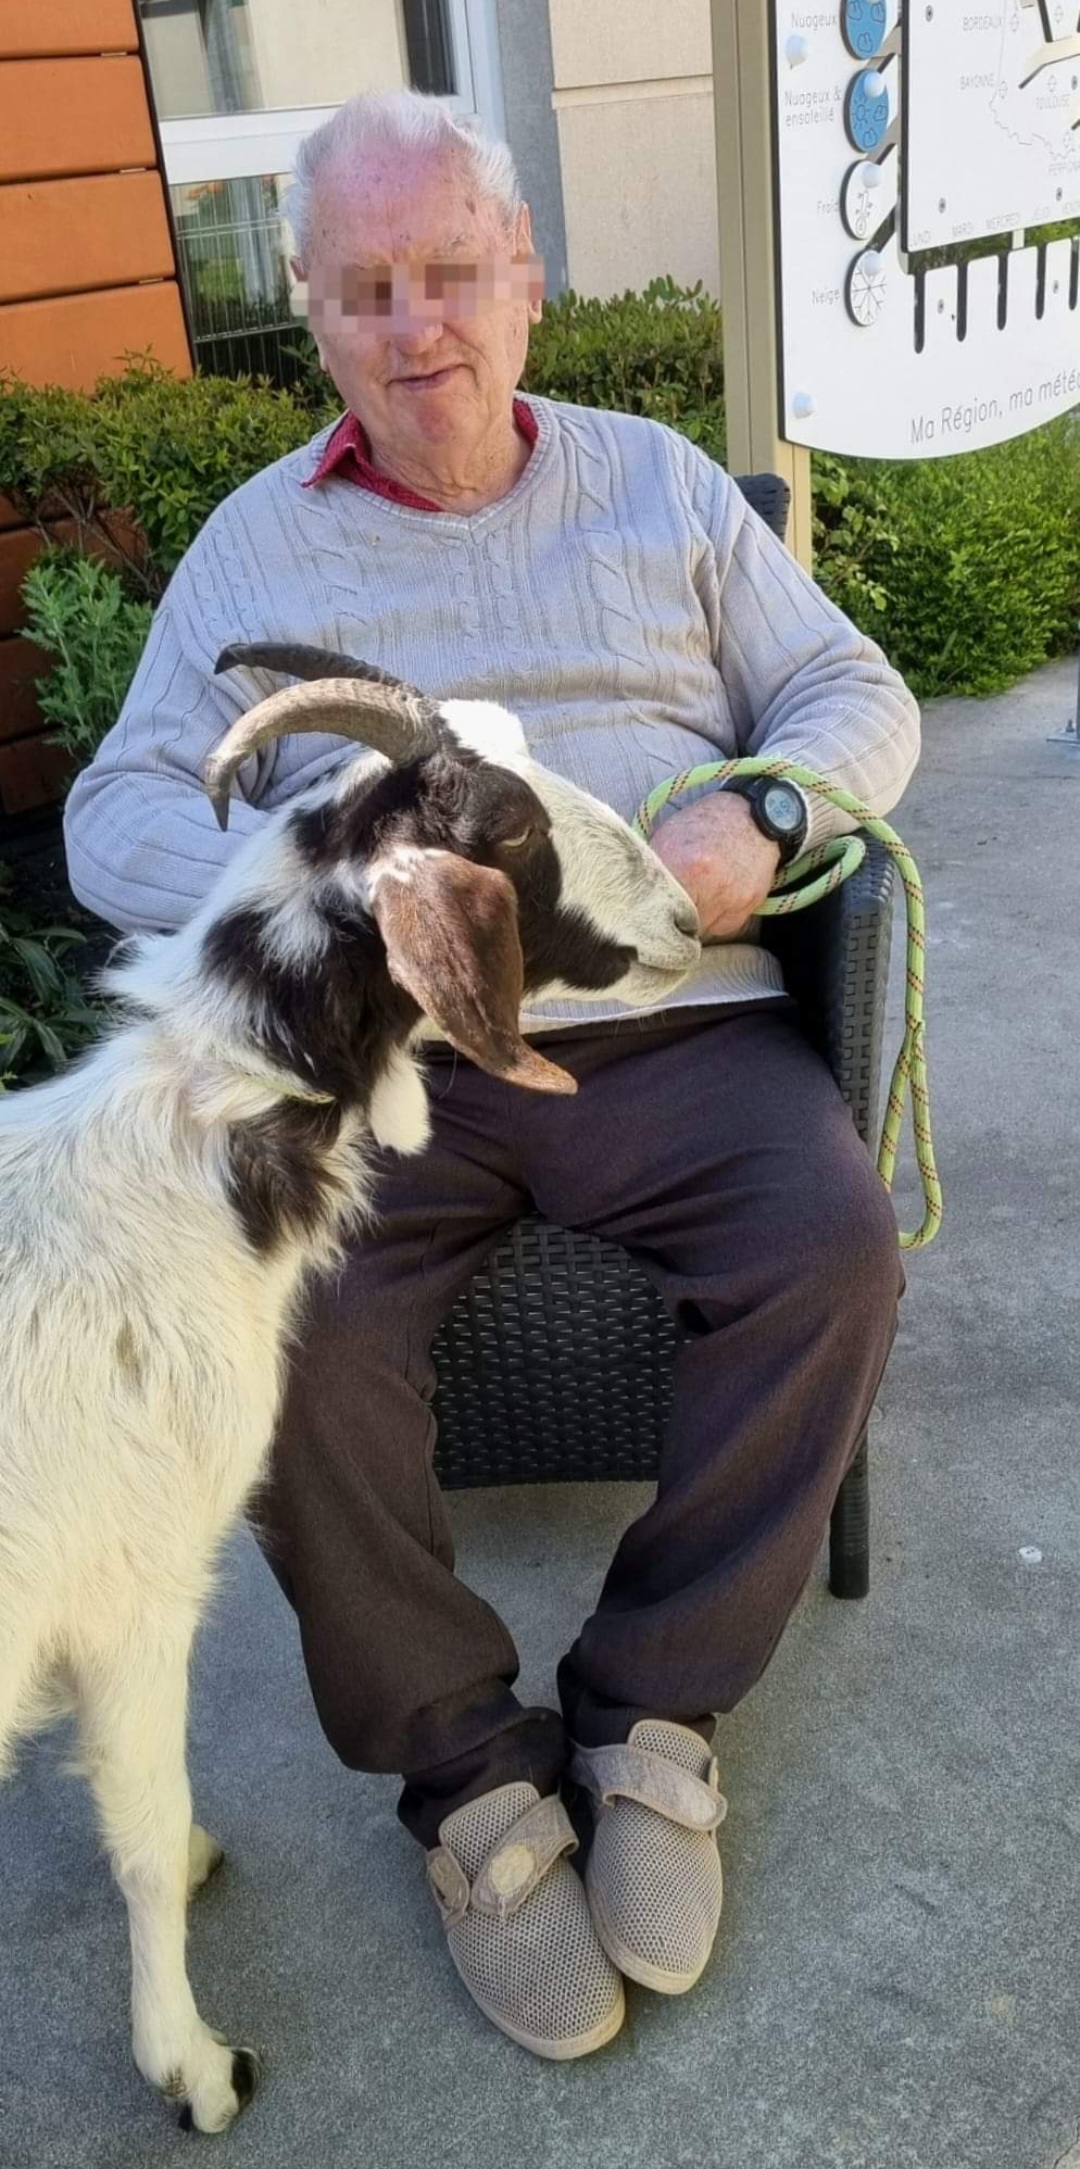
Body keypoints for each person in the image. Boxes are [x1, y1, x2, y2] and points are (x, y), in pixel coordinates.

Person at [64, 90, 918, 2062]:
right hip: (384, 1066)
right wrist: (312, 888)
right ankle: (464, 1771)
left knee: (833, 1249)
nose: (416, 321)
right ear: (310, 308)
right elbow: (114, 808)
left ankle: (651, 1710)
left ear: (525, 275)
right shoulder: (254, 542)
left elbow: (851, 689)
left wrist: (766, 817)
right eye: (366, 287)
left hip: (670, 1023)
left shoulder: (660, 491)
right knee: (278, 1330)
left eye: (452, 270)